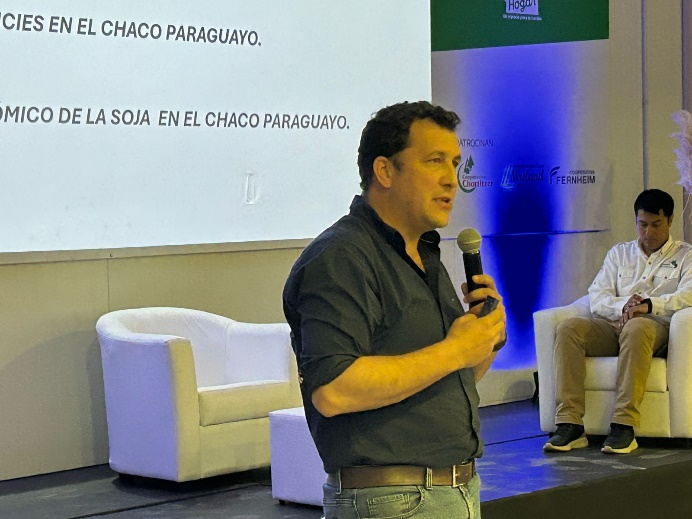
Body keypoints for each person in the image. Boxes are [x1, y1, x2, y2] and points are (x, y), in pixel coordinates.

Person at [283, 101, 506, 518]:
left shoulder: (424, 254)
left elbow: (446, 378)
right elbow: (333, 389)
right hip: (393, 501)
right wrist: (455, 349)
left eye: (455, 163)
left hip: (452, 490)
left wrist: (484, 339)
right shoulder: (342, 257)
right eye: (434, 161)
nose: (451, 179)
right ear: (385, 171)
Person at [544, 188, 692, 455]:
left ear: (670, 220)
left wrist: (648, 305)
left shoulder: (685, 256)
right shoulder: (619, 254)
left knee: (637, 326)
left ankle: (624, 425)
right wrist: (624, 305)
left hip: (655, 327)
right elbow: (597, 296)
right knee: (569, 328)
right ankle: (570, 423)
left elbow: (687, 295)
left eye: (656, 224)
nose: (648, 232)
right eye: (642, 224)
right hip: (612, 324)